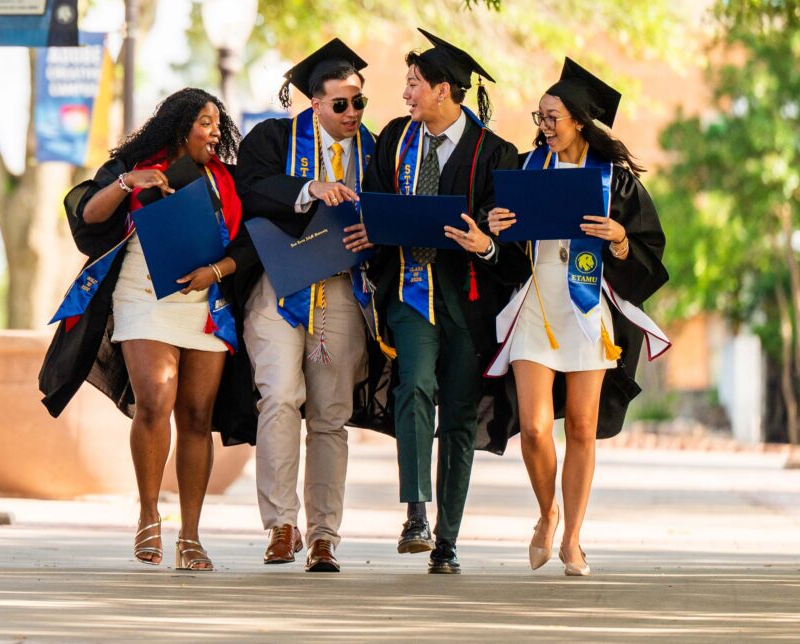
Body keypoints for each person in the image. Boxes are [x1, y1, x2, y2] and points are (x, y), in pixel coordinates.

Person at [41, 88, 258, 572]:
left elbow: (247, 246)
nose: (215, 132)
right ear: (181, 127)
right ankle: (147, 514)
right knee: (156, 401)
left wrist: (216, 271)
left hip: (204, 301)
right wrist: (126, 183)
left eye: (217, 123)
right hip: (142, 295)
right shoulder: (134, 167)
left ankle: (192, 537)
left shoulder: (226, 181)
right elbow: (87, 216)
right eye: (206, 122)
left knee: (198, 417)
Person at [485, 58, 671, 577]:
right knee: (535, 428)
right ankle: (547, 513)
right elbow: (499, 241)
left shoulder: (615, 180)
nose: (543, 126)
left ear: (579, 123)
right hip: (536, 303)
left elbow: (648, 250)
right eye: (539, 116)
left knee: (584, 429)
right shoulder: (524, 170)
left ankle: (572, 539)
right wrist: (494, 224)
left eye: (553, 118)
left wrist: (619, 241)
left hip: (586, 308)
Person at [361, 29, 531, 574]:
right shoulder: (394, 140)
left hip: (468, 301)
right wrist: (372, 229)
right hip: (411, 290)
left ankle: (448, 541)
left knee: (458, 414)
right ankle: (415, 511)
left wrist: (486, 244)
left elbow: (513, 245)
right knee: (415, 383)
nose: (406, 94)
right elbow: (374, 202)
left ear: (444, 91)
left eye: (414, 84)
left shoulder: (495, 153)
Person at [233, 39, 393, 573]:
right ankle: (281, 524)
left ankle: (324, 534)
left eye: (359, 103)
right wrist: (309, 189)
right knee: (278, 397)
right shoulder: (275, 138)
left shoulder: (378, 153)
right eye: (341, 104)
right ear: (314, 104)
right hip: (280, 289)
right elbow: (249, 190)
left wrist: (375, 231)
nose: (353, 113)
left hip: (344, 294)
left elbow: (395, 215)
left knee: (329, 417)